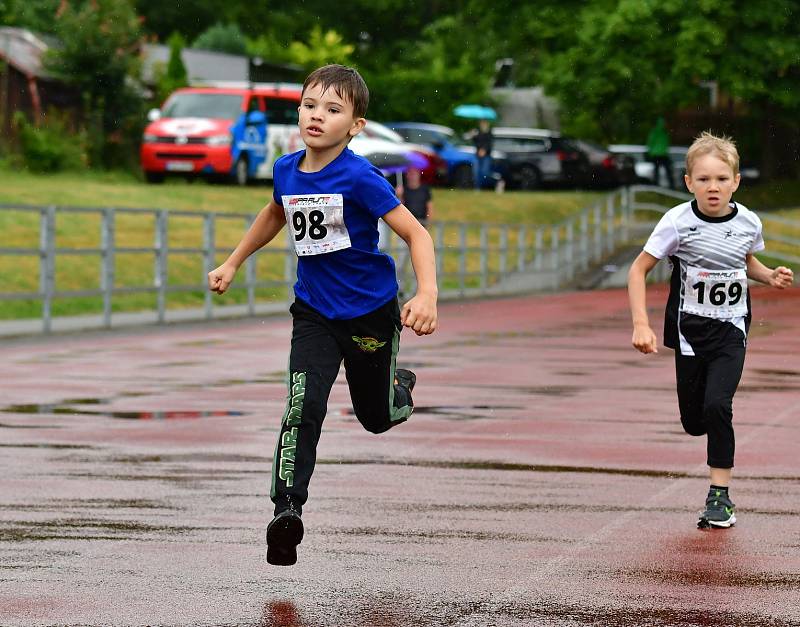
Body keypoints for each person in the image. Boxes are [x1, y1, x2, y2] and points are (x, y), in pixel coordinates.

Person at [207, 64, 438, 565]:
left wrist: (427, 295)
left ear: (355, 125)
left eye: (333, 110)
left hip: (370, 314)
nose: (318, 116)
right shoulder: (287, 169)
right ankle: (286, 511)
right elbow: (274, 213)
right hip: (313, 311)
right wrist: (232, 261)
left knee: (375, 418)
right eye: (311, 105)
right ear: (299, 112)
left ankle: (399, 389)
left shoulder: (361, 177)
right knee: (302, 406)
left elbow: (417, 234)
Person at [627, 131, 793, 529]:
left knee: (719, 405)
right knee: (694, 421)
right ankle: (705, 433)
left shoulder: (748, 221)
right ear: (689, 183)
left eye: (721, 179)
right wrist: (640, 324)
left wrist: (769, 275)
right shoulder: (677, 222)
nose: (713, 187)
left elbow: (745, 260)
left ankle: (720, 496)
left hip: (732, 331)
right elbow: (638, 269)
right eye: (703, 179)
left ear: (736, 181)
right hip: (688, 331)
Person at [646, 116, 675, 189]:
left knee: (658, 171)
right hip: (659, 154)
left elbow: (650, 142)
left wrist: (651, 152)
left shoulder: (659, 132)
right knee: (664, 171)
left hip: (659, 154)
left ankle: (657, 186)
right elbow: (651, 142)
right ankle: (670, 186)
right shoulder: (660, 132)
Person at [473, 118, 493, 189]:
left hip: (486, 156)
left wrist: (484, 149)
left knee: (485, 172)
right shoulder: (477, 132)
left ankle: (488, 186)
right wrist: (473, 136)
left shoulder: (489, 132)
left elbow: (489, 144)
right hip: (477, 155)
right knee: (476, 172)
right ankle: (477, 188)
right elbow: (476, 143)